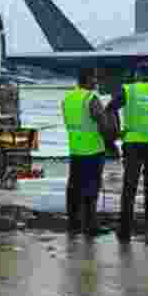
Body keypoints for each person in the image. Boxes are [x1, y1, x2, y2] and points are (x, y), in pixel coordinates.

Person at [107, 61, 148, 245]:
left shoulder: (129, 90)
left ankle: (125, 230)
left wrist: (116, 132)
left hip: (133, 144)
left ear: (137, 75)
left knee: (129, 188)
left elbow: (110, 108)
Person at [62, 67, 113, 236]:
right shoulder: (91, 98)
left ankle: (73, 224)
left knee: (74, 188)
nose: (96, 82)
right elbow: (103, 124)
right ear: (87, 79)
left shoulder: (68, 99)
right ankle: (90, 226)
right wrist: (111, 140)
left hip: (75, 150)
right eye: (94, 79)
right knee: (91, 188)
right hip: (93, 151)